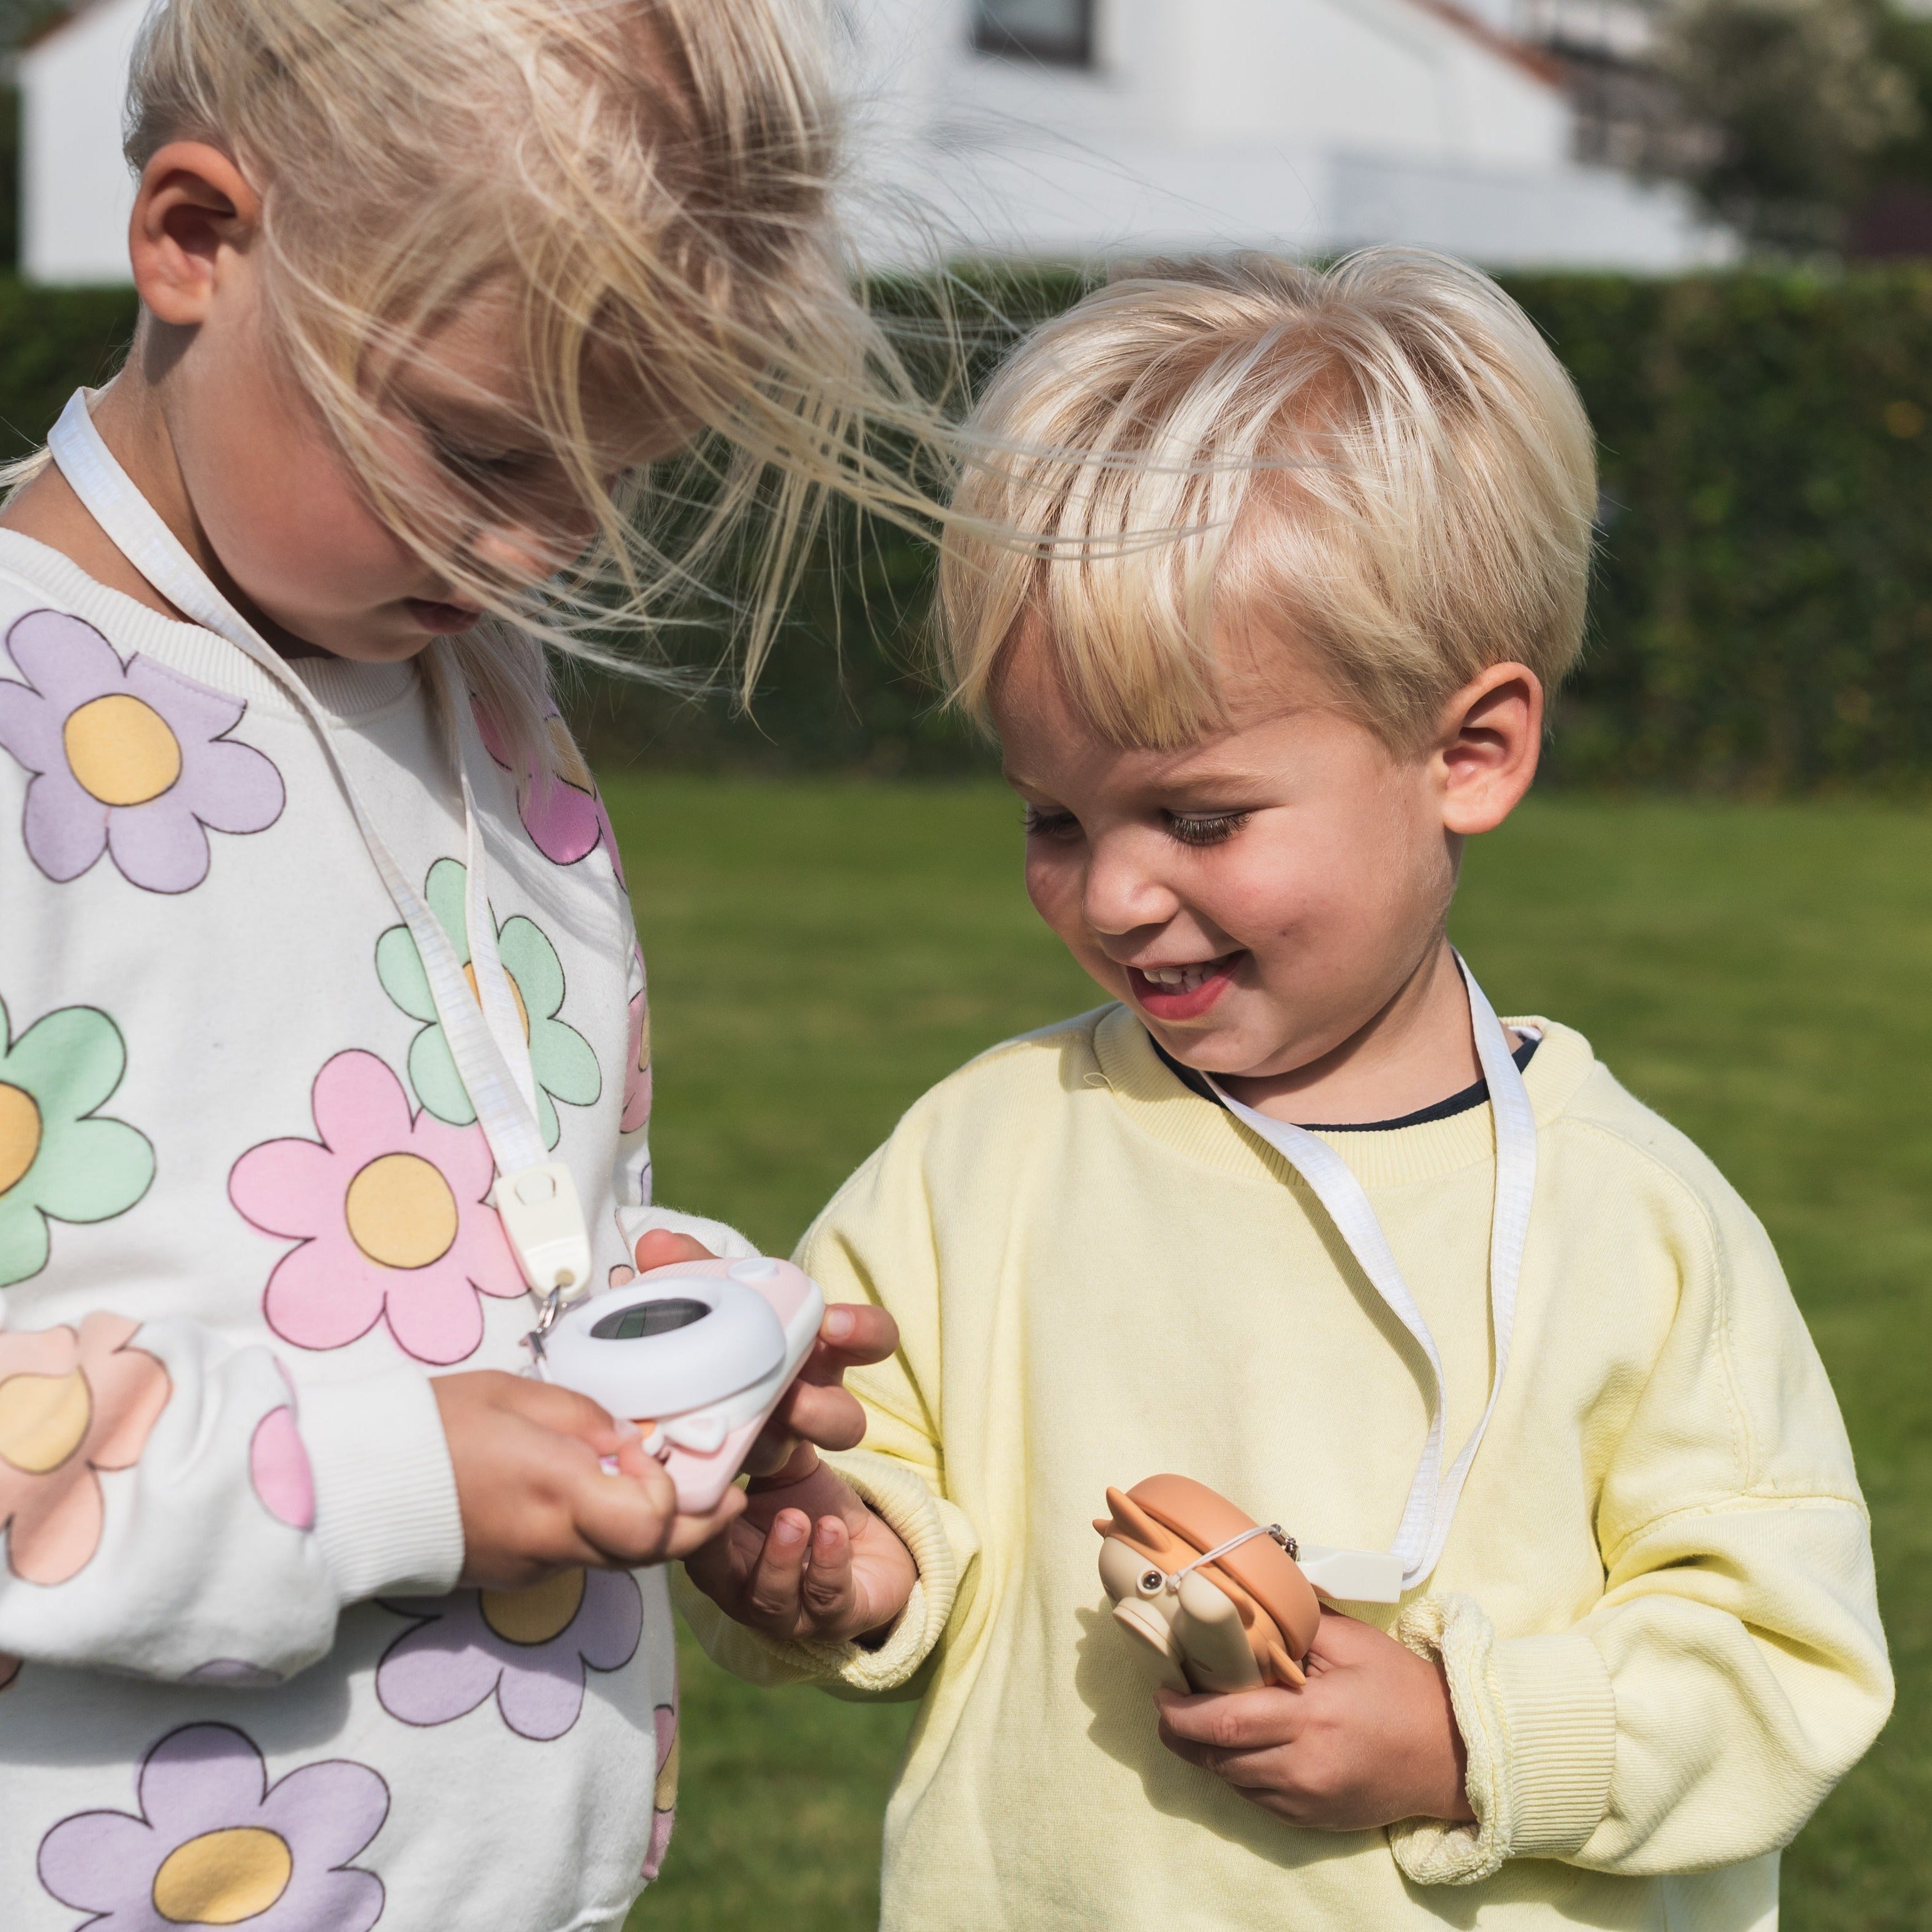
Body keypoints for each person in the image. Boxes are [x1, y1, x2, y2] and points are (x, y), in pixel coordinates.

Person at [679, 252, 1894, 1929]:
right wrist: (834, 1551)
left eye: (1196, 819)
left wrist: (1475, 1741)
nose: (1110, 897)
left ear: (1467, 756)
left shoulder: (1639, 1221)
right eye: (1054, 817)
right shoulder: (985, 1154)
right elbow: (880, 1466)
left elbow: (1780, 1658)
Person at [0, 1, 914, 1926]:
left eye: (610, 476)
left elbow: (501, 1217)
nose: (536, 553)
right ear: (194, 238)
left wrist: (678, 1339)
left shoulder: (479, 699)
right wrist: (398, 1475)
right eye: (483, 448)